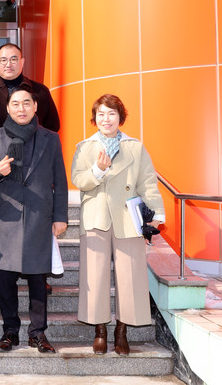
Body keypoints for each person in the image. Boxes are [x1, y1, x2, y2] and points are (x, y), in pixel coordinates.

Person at [70, 94, 164, 356]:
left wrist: (156, 214)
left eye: (111, 113)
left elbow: (147, 182)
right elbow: (78, 179)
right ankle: (100, 330)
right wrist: (98, 171)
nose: (106, 119)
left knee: (130, 275)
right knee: (94, 275)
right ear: (95, 118)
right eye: (101, 114)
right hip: (96, 217)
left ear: (120, 117)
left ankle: (121, 331)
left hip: (128, 217)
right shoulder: (85, 148)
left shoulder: (135, 147)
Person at [0, 43, 61, 295]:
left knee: (35, 224)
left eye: (13, 59)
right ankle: (0, 271)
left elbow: (53, 125)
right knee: (2, 224)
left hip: (33, 168)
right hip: (1, 171)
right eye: (3, 60)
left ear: (22, 61)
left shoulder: (39, 91)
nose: (9, 64)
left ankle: (37, 272)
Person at [0, 84, 68, 354]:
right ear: (8, 108)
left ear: (35, 107)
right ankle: (10, 331)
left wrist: (61, 216)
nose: (21, 109)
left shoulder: (50, 138)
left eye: (26, 103)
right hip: (6, 217)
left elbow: (60, 181)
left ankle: (37, 333)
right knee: (5, 279)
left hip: (39, 216)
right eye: (16, 104)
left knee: (37, 280)